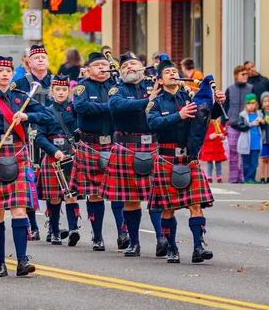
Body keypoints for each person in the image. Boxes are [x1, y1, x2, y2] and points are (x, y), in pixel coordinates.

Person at [0, 55, 54, 277]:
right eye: (0, 70)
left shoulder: (21, 98)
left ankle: (21, 261)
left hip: (17, 153)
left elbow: (48, 116)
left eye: (8, 70)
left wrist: (26, 115)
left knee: (19, 210)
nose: (5, 74)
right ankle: (0, 262)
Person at [146, 56, 226, 264]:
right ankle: (172, 248)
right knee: (168, 208)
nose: (173, 73)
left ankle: (198, 247)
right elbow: (152, 124)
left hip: (188, 157)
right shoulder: (155, 101)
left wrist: (216, 104)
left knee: (195, 205)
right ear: (160, 80)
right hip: (166, 157)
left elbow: (207, 115)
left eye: (174, 71)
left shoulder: (191, 96)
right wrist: (178, 116)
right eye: (167, 72)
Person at [102, 51, 166, 257]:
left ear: (142, 66)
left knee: (156, 197)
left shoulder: (154, 84)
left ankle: (162, 239)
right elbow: (117, 106)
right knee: (131, 199)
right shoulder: (117, 89)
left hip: (153, 146)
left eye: (133, 64)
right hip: (127, 147)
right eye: (124, 66)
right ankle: (134, 242)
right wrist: (149, 101)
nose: (129, 68)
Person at [70, 52, 128, 252]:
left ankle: (123, 233)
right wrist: (110, 106)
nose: (103, 68)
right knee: (94, 193)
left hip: (113, 143)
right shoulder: (82, 87)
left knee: (118, 191)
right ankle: (98, 236)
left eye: (105, 65)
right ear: (88, 69)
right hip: (90, 144)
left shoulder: (117, 86)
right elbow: (82, 107)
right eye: (98, 65)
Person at [11, 45, 53, 239]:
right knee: (30, 181)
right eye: (36, 58)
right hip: (28, 135)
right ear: (29, 61)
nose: (41, 60)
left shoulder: (56, 81)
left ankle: (54, 226)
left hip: (53, 134)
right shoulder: (20, 82)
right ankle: (33, 225)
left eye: (44, 57)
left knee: (56, 185)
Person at [35, 75, 79, 246]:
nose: (61, 92)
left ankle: (74, 229)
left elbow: (79, 131)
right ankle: (54, 231)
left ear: (69, 91)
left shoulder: (74, 109)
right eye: (58, 89)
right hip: (53, 157)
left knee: (71, 195)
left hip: (71, 155)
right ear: (52, 92)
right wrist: (55, 151)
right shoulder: (45, 111)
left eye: (64, 89)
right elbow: (39, 137)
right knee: (54, 197)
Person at [224, 66, 253, 183]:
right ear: (236, 76)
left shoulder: (251, 88)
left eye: (246, 74)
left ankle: (243, 177)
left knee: (245, 152)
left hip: (246, 124)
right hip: (233, 124)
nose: (246, 76)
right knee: (233, 153)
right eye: (243, 74)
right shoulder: (230, 89)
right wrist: (222, 124)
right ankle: (233, 178)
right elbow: (225, 108)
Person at [236, 93, 264, 183]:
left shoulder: (259, 114)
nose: (251, 106)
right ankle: (247, 179)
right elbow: (240, 127)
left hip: (256, 143)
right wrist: (251, 124)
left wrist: (262, 122)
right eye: (249, 104)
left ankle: (252, 178)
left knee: (254, 163)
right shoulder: (242, 115)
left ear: (256, 104)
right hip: (246, 143)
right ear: (246, 105)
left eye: (253, 103)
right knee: (246, 162)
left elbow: (263, 128)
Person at [260, 92, 269, 183]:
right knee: (263, 159)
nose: (267, 103)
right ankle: (262, 177)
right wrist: (262, 121)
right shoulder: (260, 113)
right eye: (265, 101)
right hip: (264, 139)